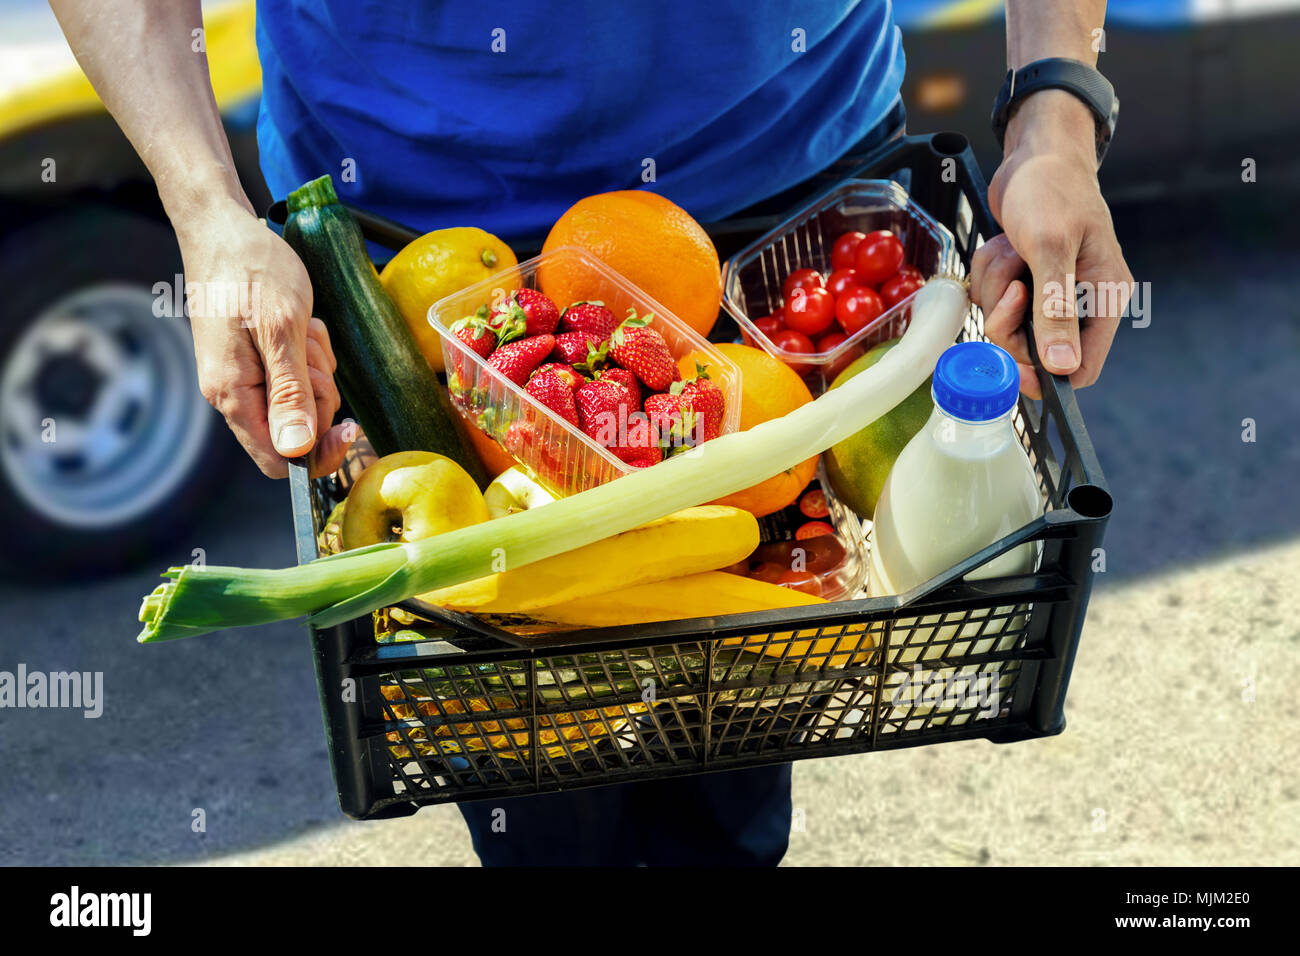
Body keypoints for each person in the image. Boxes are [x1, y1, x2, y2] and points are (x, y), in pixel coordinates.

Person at [51, 0, 1132, 866]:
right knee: (535, 778)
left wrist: (1054, 116)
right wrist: (206, 210)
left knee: (735, 747)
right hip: (408, 227)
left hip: (781, 195)